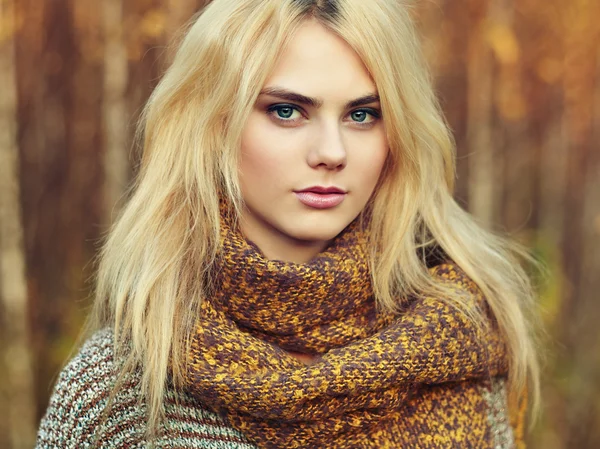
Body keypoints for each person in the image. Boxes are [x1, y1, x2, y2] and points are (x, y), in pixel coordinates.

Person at [36, 0, 540, 448]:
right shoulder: (117, 392)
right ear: (213, 124)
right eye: (286, 110)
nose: (331, 152)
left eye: (362, 116)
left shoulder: (463, 343)